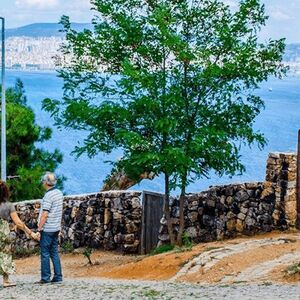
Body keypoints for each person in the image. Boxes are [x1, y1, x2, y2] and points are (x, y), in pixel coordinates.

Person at [0, 180, 39, 288]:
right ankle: (6, 280)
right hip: (4, 234)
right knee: (5, 254)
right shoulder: (9, 206)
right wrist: (31, 233)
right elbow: (18, 223)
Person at [37, 171, 63, 284]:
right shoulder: (59, 193)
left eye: (43, 181)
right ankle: (58, 276)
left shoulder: (48, 196)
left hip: (47, 229)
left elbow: (45, 214)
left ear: (46, 183)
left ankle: (45, 278)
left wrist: (39, 228)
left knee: (45, 254)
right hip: (56, 227)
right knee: (54, 253)